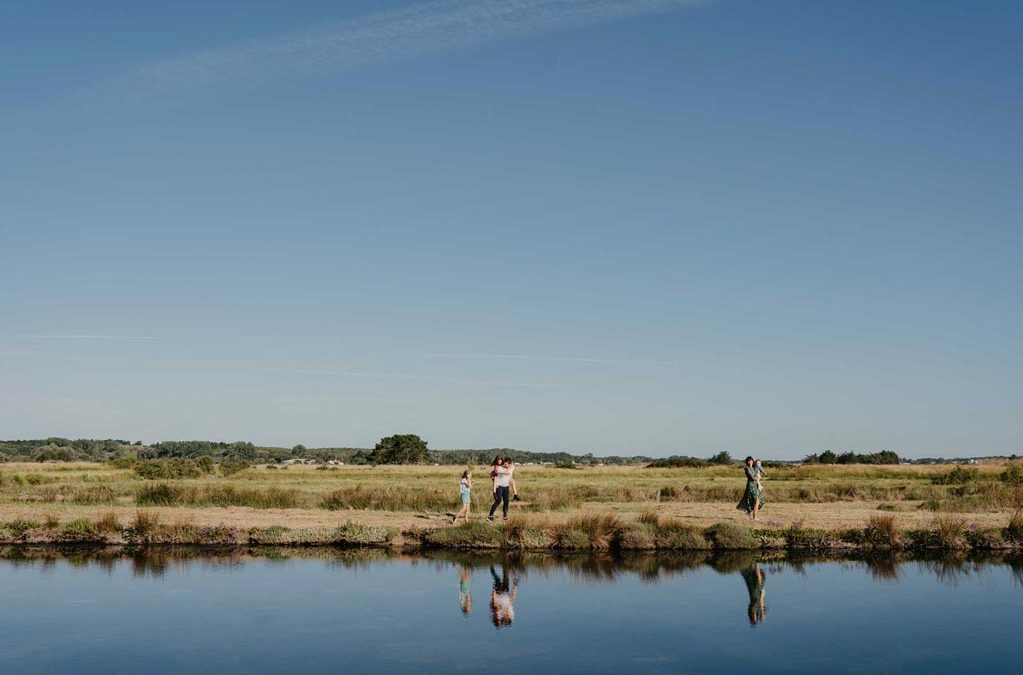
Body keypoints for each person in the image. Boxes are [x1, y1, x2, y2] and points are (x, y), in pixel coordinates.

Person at [736, 456, 762, 521]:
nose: (750, 462)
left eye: (751, 460)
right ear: (747, 462)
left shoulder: (753, 468)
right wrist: (757, 477)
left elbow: (758, 475)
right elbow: (752, 477)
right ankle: (754, 516)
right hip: (750, 486)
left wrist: (758, 476)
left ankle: (750, 513)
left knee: (756, 500)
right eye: (749, 461)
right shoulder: (747, 468)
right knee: (756, 500)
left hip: (755, 485)